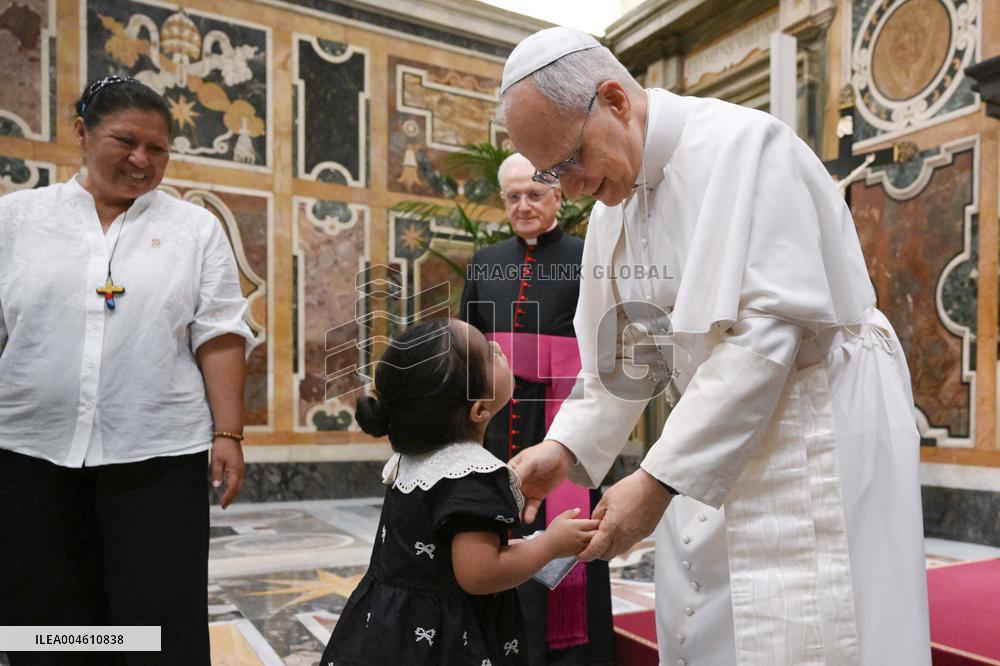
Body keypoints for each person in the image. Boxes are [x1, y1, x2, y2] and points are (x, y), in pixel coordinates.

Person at [497, 27, 931, 665]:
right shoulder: (615, 205)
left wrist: (658, 480)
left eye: (570, 161)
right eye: (552, 173)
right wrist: (563, 449)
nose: (574, 185)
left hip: (815, 417)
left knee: (817, 626)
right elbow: (630, 354)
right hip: (709, 433)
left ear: (615, 100)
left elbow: (769, 332)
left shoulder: (748, 148)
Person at [0, 76, 254, 665]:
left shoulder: (194, 230)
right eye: (125, 141)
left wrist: (229, 433)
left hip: (157, 454)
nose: (141, 160)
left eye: (157, 149)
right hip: (28, 451)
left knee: (158, 620)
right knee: (46, 616)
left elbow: (218, 332)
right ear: (83, 133)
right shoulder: (16, 220)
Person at [321, 318, 599, 666]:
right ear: (479, 409)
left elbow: (439, 557)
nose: (498, 347)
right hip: (446, 640)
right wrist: (550, 545)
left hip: (388, 626)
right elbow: (480, 574)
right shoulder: (473, 475)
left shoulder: (413, 460)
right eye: (487, 353)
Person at [460, 153, 614, 665]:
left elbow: (603, 337)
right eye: (513, 197)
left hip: (564, 417)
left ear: (557, 196)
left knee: (567, 527)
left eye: (535, 194)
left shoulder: (586, 253)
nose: (524, 205)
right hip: (498, 419)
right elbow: (467, 347)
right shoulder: (485, 261)